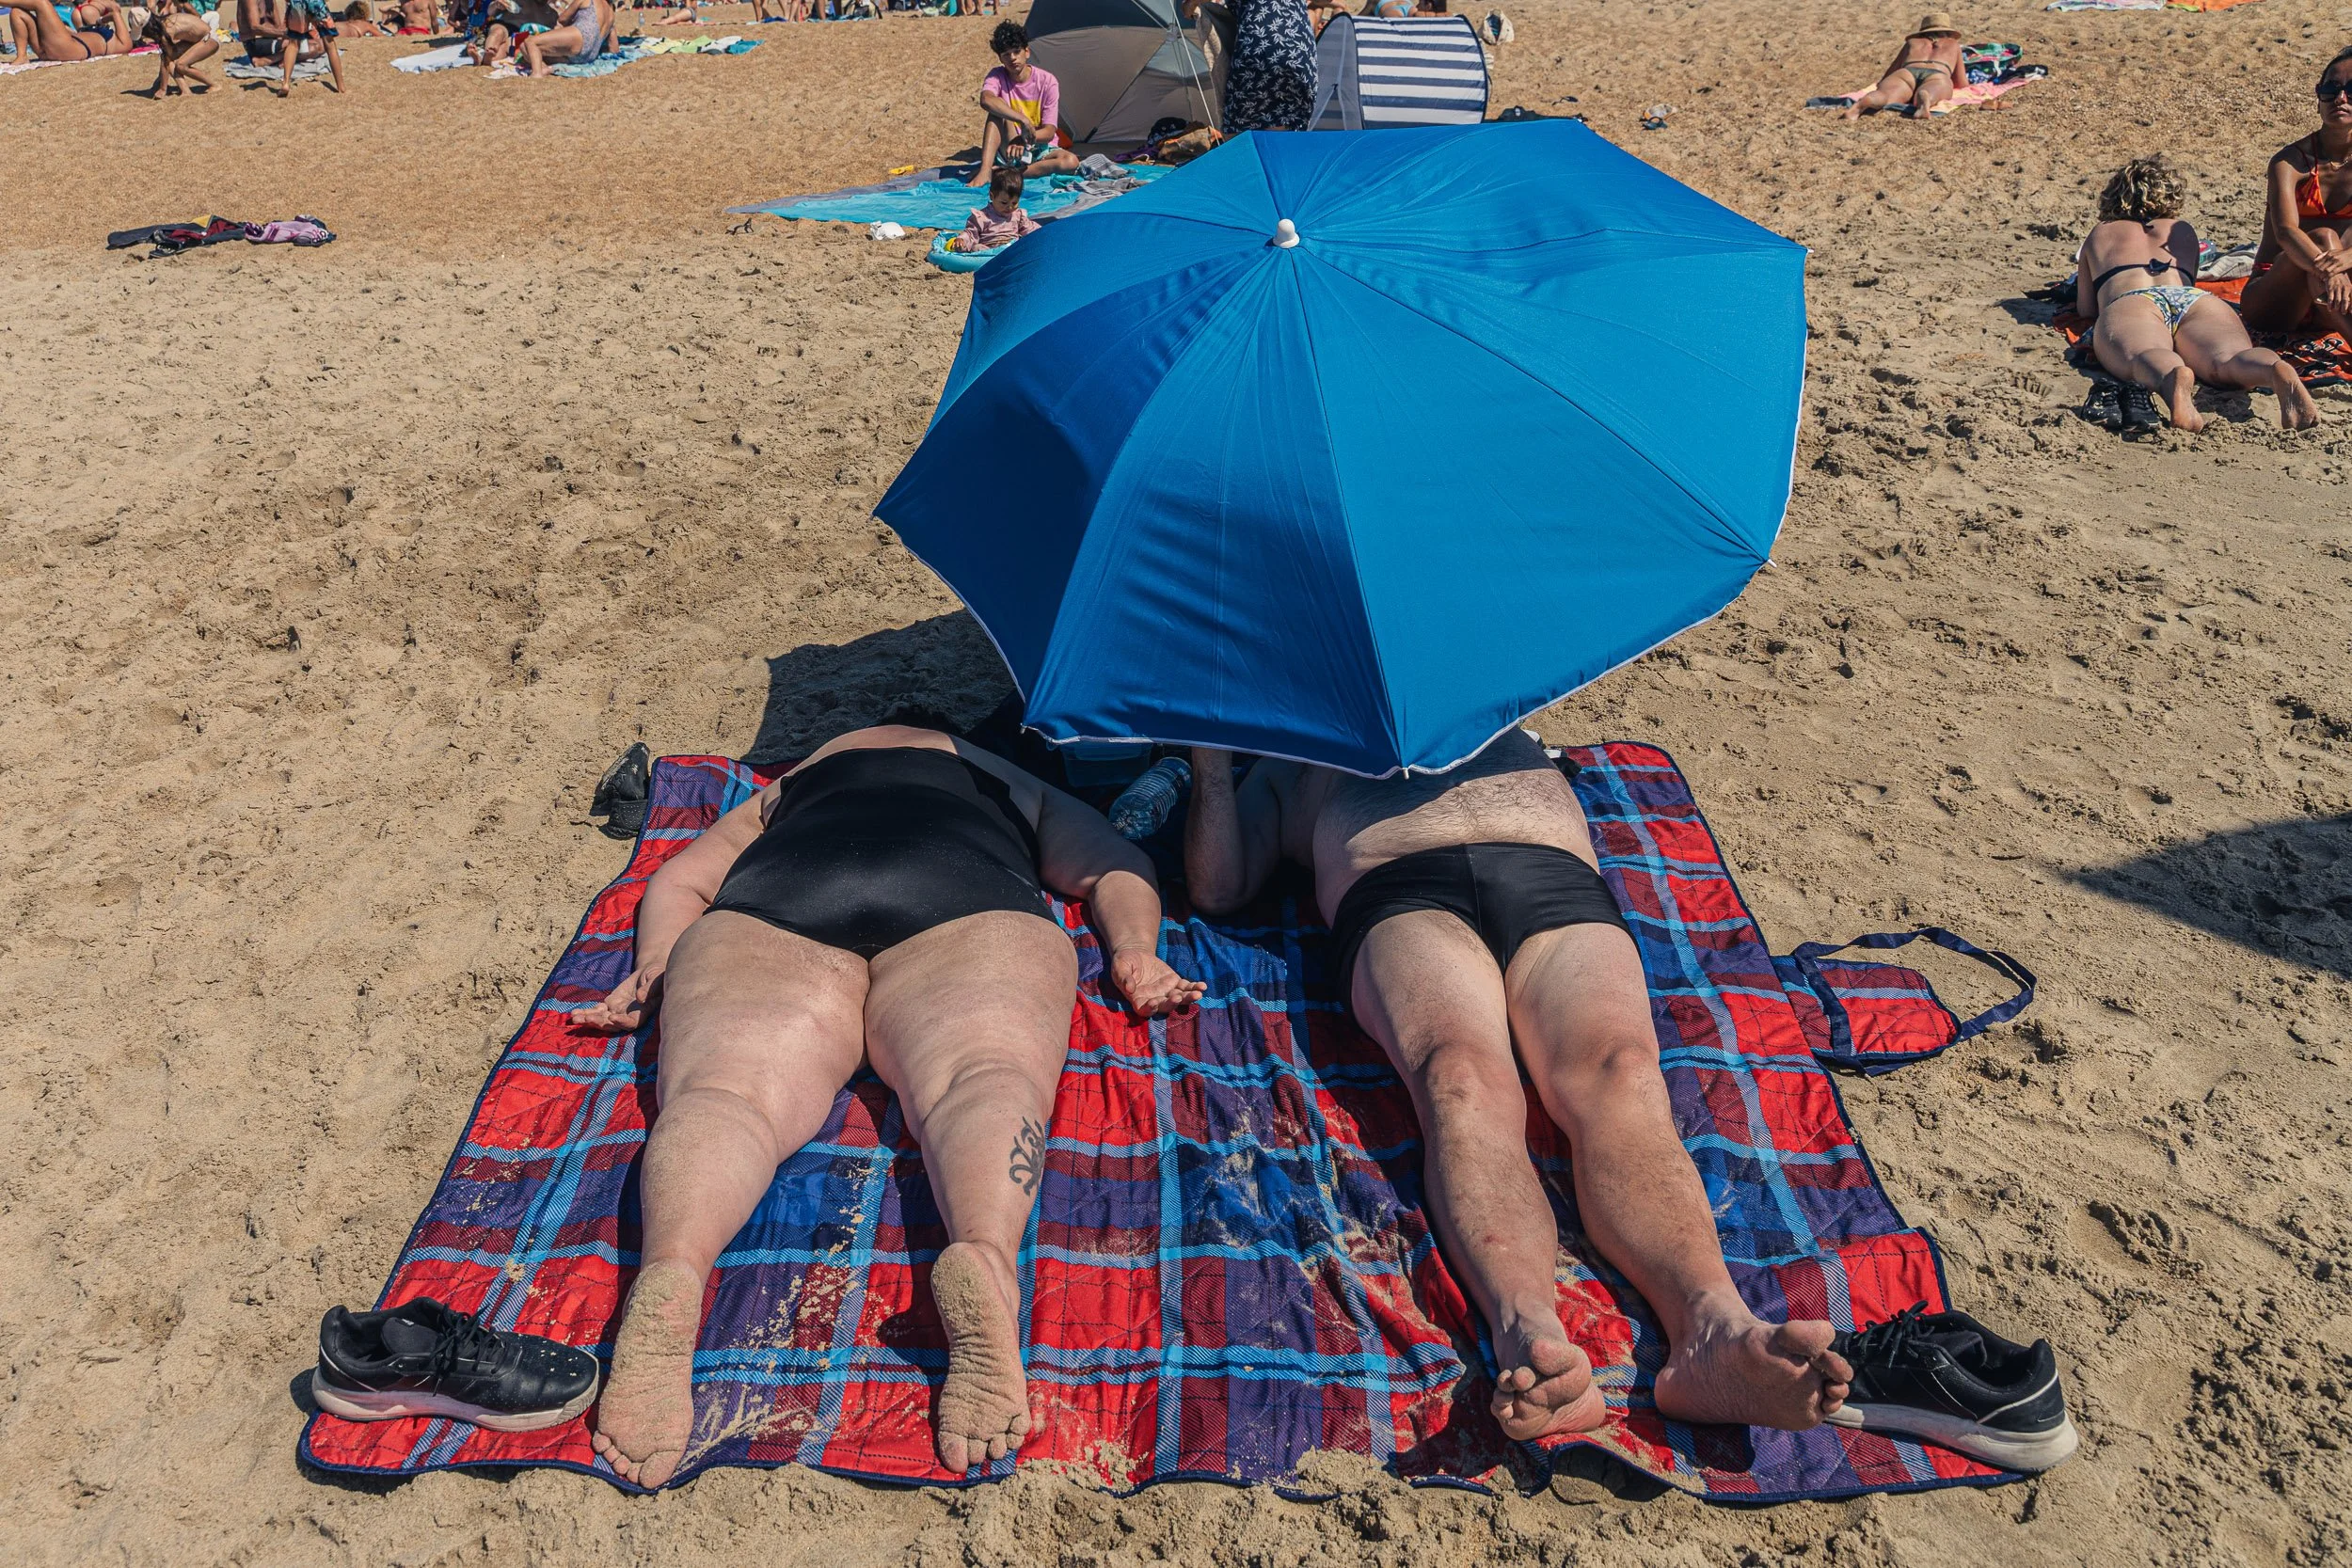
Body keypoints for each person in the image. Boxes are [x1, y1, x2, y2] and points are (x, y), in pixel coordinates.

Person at [576, 722, 1204, 1486]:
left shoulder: (800, 775)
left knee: (726, 1095)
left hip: (782, 895)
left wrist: (650, 970)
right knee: (981, 1078)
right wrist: (1135, 950)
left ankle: (674, 1265)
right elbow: (1112, 864)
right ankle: (984, 1251)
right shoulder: (1007, 776)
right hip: (968, 892)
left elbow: (681, 879)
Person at [1184, 732, 1853, 1441]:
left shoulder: (1487, 692)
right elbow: (1220, 885)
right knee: (1460, 1077)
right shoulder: (1291, 755)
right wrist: (1209, 762)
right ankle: (1531, 1336)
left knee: (1622, 1068)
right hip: (1399, 887)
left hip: (1553, 877)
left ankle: (1713, 1328)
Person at [2077, 155, 2320, 433]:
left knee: (2147, 353)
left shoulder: (2100, 233)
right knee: (2229, 359)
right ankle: (2274, 371)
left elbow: (2086, 308)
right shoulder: (2182, 231)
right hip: (2193, 300)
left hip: (2134, 300)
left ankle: (2173, 378)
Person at [2242, 47, 2352, 346]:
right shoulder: (2289, 162)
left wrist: (2343, 262)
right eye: (2330, 90)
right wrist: (2330, 271)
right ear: (2318, 101)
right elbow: (2287, 232)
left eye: (2351, 90)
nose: (2340, 99)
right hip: (2277, 294)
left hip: (2339, 290)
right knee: (2322, 238)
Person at [967, 23, 1078, 188]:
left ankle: (1008, 174)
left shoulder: (1047, 81)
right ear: (1000, 58)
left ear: (1027, 51)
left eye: (1016, 52)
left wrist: (1024, 138)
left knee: (1071, 162)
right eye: (1006, 54)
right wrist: (1023, 121)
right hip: (1010, 146)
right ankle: (985, 171)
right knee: (996, 111)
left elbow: (1049, 132)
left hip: (1038, 147)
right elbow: (986, 100)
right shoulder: (997, 76)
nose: (1012, 58)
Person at [1840, 11, 1963, 121]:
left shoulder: (1912, 42)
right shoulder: (1953, 44)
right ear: (1948, 32)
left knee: (1886, 95)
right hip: (1937, 73)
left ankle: (1867, 101)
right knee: (1934, 89)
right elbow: (1961, 82)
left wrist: (1883, 85)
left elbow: (1892, 70)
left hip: (1906, 72)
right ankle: (1926, 99)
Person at [1222, 0, 1314, 133]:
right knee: (1287, 128)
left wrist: (1189, 5)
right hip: (1301, 50)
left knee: (1241, 125)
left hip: (1261, 43)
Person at [953, 166, 1041, 253]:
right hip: (989, 251)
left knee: (1024, 244)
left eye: (1014, 203)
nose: (1010, 208)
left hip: (1011, 248)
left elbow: (1031, 229)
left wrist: (1044, 232)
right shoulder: (982, 217)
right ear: (992, 196)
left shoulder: (1018, 215)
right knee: (977, 248)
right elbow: (970, 234)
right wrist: (962, 241)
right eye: (1004, 203)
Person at [270, 0, 343, 92]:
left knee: (293, 44)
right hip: (316, 3)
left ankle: (286, 83)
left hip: (297, 4)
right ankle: (341, 86)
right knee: (330, 45)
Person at [148, 0, 218, 90]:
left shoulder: (185, 7)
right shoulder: (168, 19)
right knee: (169, 57)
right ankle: (185, 90)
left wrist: (163, 89)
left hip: (208, 38)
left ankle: (214, 85)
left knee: (180, 65)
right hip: (199, 37)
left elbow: (198, 17)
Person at [517, 0, 605, 72]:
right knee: (526, 48)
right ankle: (544, 68)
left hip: (579, 36)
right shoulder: (610, 13)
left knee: (530, 41)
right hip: (588, 56)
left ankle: (537, 74)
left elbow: (563, 19)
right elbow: (614, 47)